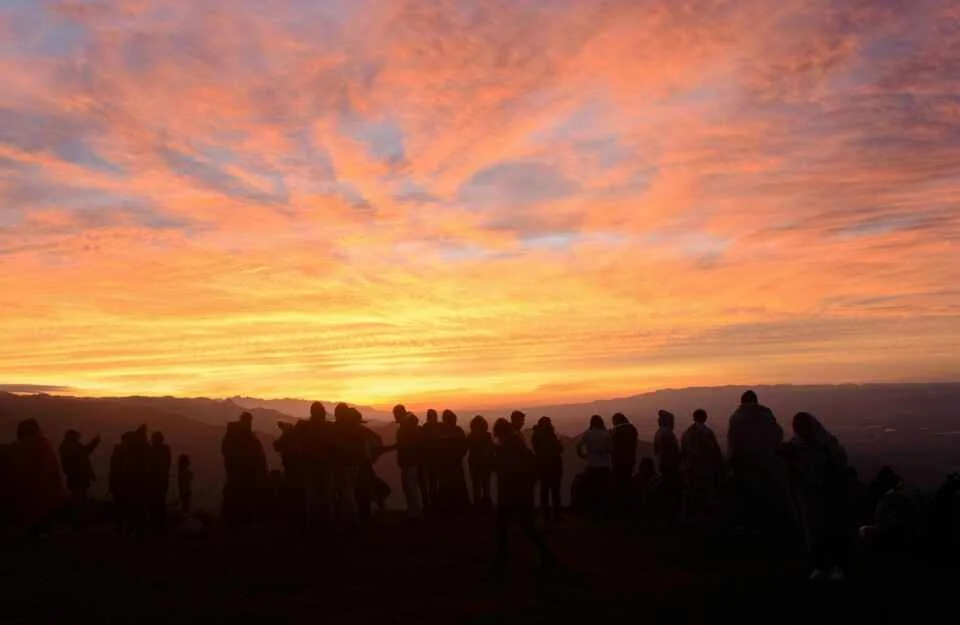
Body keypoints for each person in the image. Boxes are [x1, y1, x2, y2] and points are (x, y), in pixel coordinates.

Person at [786, 412, 853, 581]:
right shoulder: (795, 445)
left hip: (826, 492)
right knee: (812, 532)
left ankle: (836, 565)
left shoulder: (826, 443)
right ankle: (819, 565)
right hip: (807, 494)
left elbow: (840, 461)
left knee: (830, 528)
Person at [492, 417, 555, 574]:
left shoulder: (507, 448)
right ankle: (546, 556)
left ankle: (503, 560)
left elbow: (502, 467)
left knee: (504, 528)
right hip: (522, 494)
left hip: (511, 494)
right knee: (527, 528)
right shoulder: (520, 447)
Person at [727, 390, 785, 531]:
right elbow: (778, 434)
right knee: (764, 495)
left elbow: (733, 442)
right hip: (767, 463)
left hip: (745, 464)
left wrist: (731, 462)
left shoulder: (736, 417)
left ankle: (749, 526)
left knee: (747, 496)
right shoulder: (766, 414)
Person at [9, 419, 70, 538]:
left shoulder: (14, 451)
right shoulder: (43, 448)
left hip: (25, 500)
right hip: (41, 499)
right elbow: (53, 474)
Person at [221, 412, 268, 526]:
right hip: (243, 475)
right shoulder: (244, 438)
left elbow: (225, 452)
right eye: (248, 421)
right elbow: (258, 456)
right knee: (242, 500)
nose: (249, 424)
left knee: (238, 500)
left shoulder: (235, 436)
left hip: (239, 475)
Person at [681, 409, 723, 526]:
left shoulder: (686, 433)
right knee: (706, 496)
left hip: (690, 470)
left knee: (693, 496)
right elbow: (714, 451)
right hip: (704, 469)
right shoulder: (706, 432)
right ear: (705, 418)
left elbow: (683, 452)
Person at [576, 415, 611, 517]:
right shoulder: (605, 434)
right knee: (603, 489)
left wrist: (582, 455)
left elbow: (578, 445)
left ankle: (593, 511)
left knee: (593, 489)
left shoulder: (587, 434)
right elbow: (610, 449)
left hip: (591, 464)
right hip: (603, 464)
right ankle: (603, 511)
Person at [435, 410, 469, 515]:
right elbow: (464, 447)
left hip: (450, 463)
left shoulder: (442, 431)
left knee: (449, 486)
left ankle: (450, 508)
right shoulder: (456, 431)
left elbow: (463, 447)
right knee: (453, 486)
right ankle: (454, 507)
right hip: (450, 464)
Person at [531, 417, 563, 521]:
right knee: (555, 491)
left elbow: (537, 450)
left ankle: (545, 514)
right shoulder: (550, 435)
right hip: (554, 466)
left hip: (542, 466)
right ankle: (556, 515)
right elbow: (559, 449)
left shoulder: (535, 435)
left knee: (544, 490)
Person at [393, 404, 423, 518]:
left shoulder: (407, 427)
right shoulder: (409, 425)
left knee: (410, 487)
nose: (395, 417)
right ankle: (413, 510)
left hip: (410, 461)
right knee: (410, 487)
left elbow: (408, 444)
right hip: (409, 461)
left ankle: (414, 512)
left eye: (395, 414)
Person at [654, 410, 682, 523]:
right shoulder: (668, 433)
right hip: (670, 464)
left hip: (662, 463)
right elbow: (674, 451)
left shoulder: (659, 432)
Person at [58, 430, 100, 500]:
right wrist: (91, 474)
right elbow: (84, 454)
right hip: (79, 478)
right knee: (80, 497)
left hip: (73, 478)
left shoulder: (66, 447)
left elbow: (84, 452)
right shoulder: (73, 447)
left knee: (77, 497)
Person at [146, 431, 172, 535]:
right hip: (160, 481)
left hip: (155, 481)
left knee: (155, 505)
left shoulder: (153, 450)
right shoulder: (165, 450)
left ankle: (157, 527)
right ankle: (160, 527)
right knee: (159, 504)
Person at [467, 416, 495, 511]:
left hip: (475, 464)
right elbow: (491, 449)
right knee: (485, 485)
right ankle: (486, 506)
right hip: (485, 464)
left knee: (477, 486)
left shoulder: (471, 436)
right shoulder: (487, 436)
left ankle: (477, 506)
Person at [610, 413, 638, 506]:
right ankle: (629, 504)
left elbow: (612, 446)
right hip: (629, 460)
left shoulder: (616, 431)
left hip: (618, 461)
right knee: (627, 481)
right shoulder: (632, 429)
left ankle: (620, 505)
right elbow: (634, 445)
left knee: (619, 483)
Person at [420, 409, 443, 510]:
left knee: (433, 482)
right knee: (433, 482)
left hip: (433, 459)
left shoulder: (426, 427)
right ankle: (435, 503)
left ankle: (433, 503)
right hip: (433, 459)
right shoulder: (438, 426)